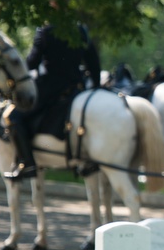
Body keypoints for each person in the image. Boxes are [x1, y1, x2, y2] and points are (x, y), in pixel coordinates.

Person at [6, 22, 101, 178]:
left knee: (13, 117)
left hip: (50, 87)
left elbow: (32, 62)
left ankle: (28, 165)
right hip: (77, 88)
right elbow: (94, 64)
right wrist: (95, 88)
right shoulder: (81, 30)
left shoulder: (46, 31)